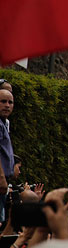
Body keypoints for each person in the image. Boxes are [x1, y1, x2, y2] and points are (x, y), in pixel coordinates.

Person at [0, 89, 15, 222]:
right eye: (3, 101)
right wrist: (1, 178)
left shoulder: (4, 123)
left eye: (10, 102)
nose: (7, 105)